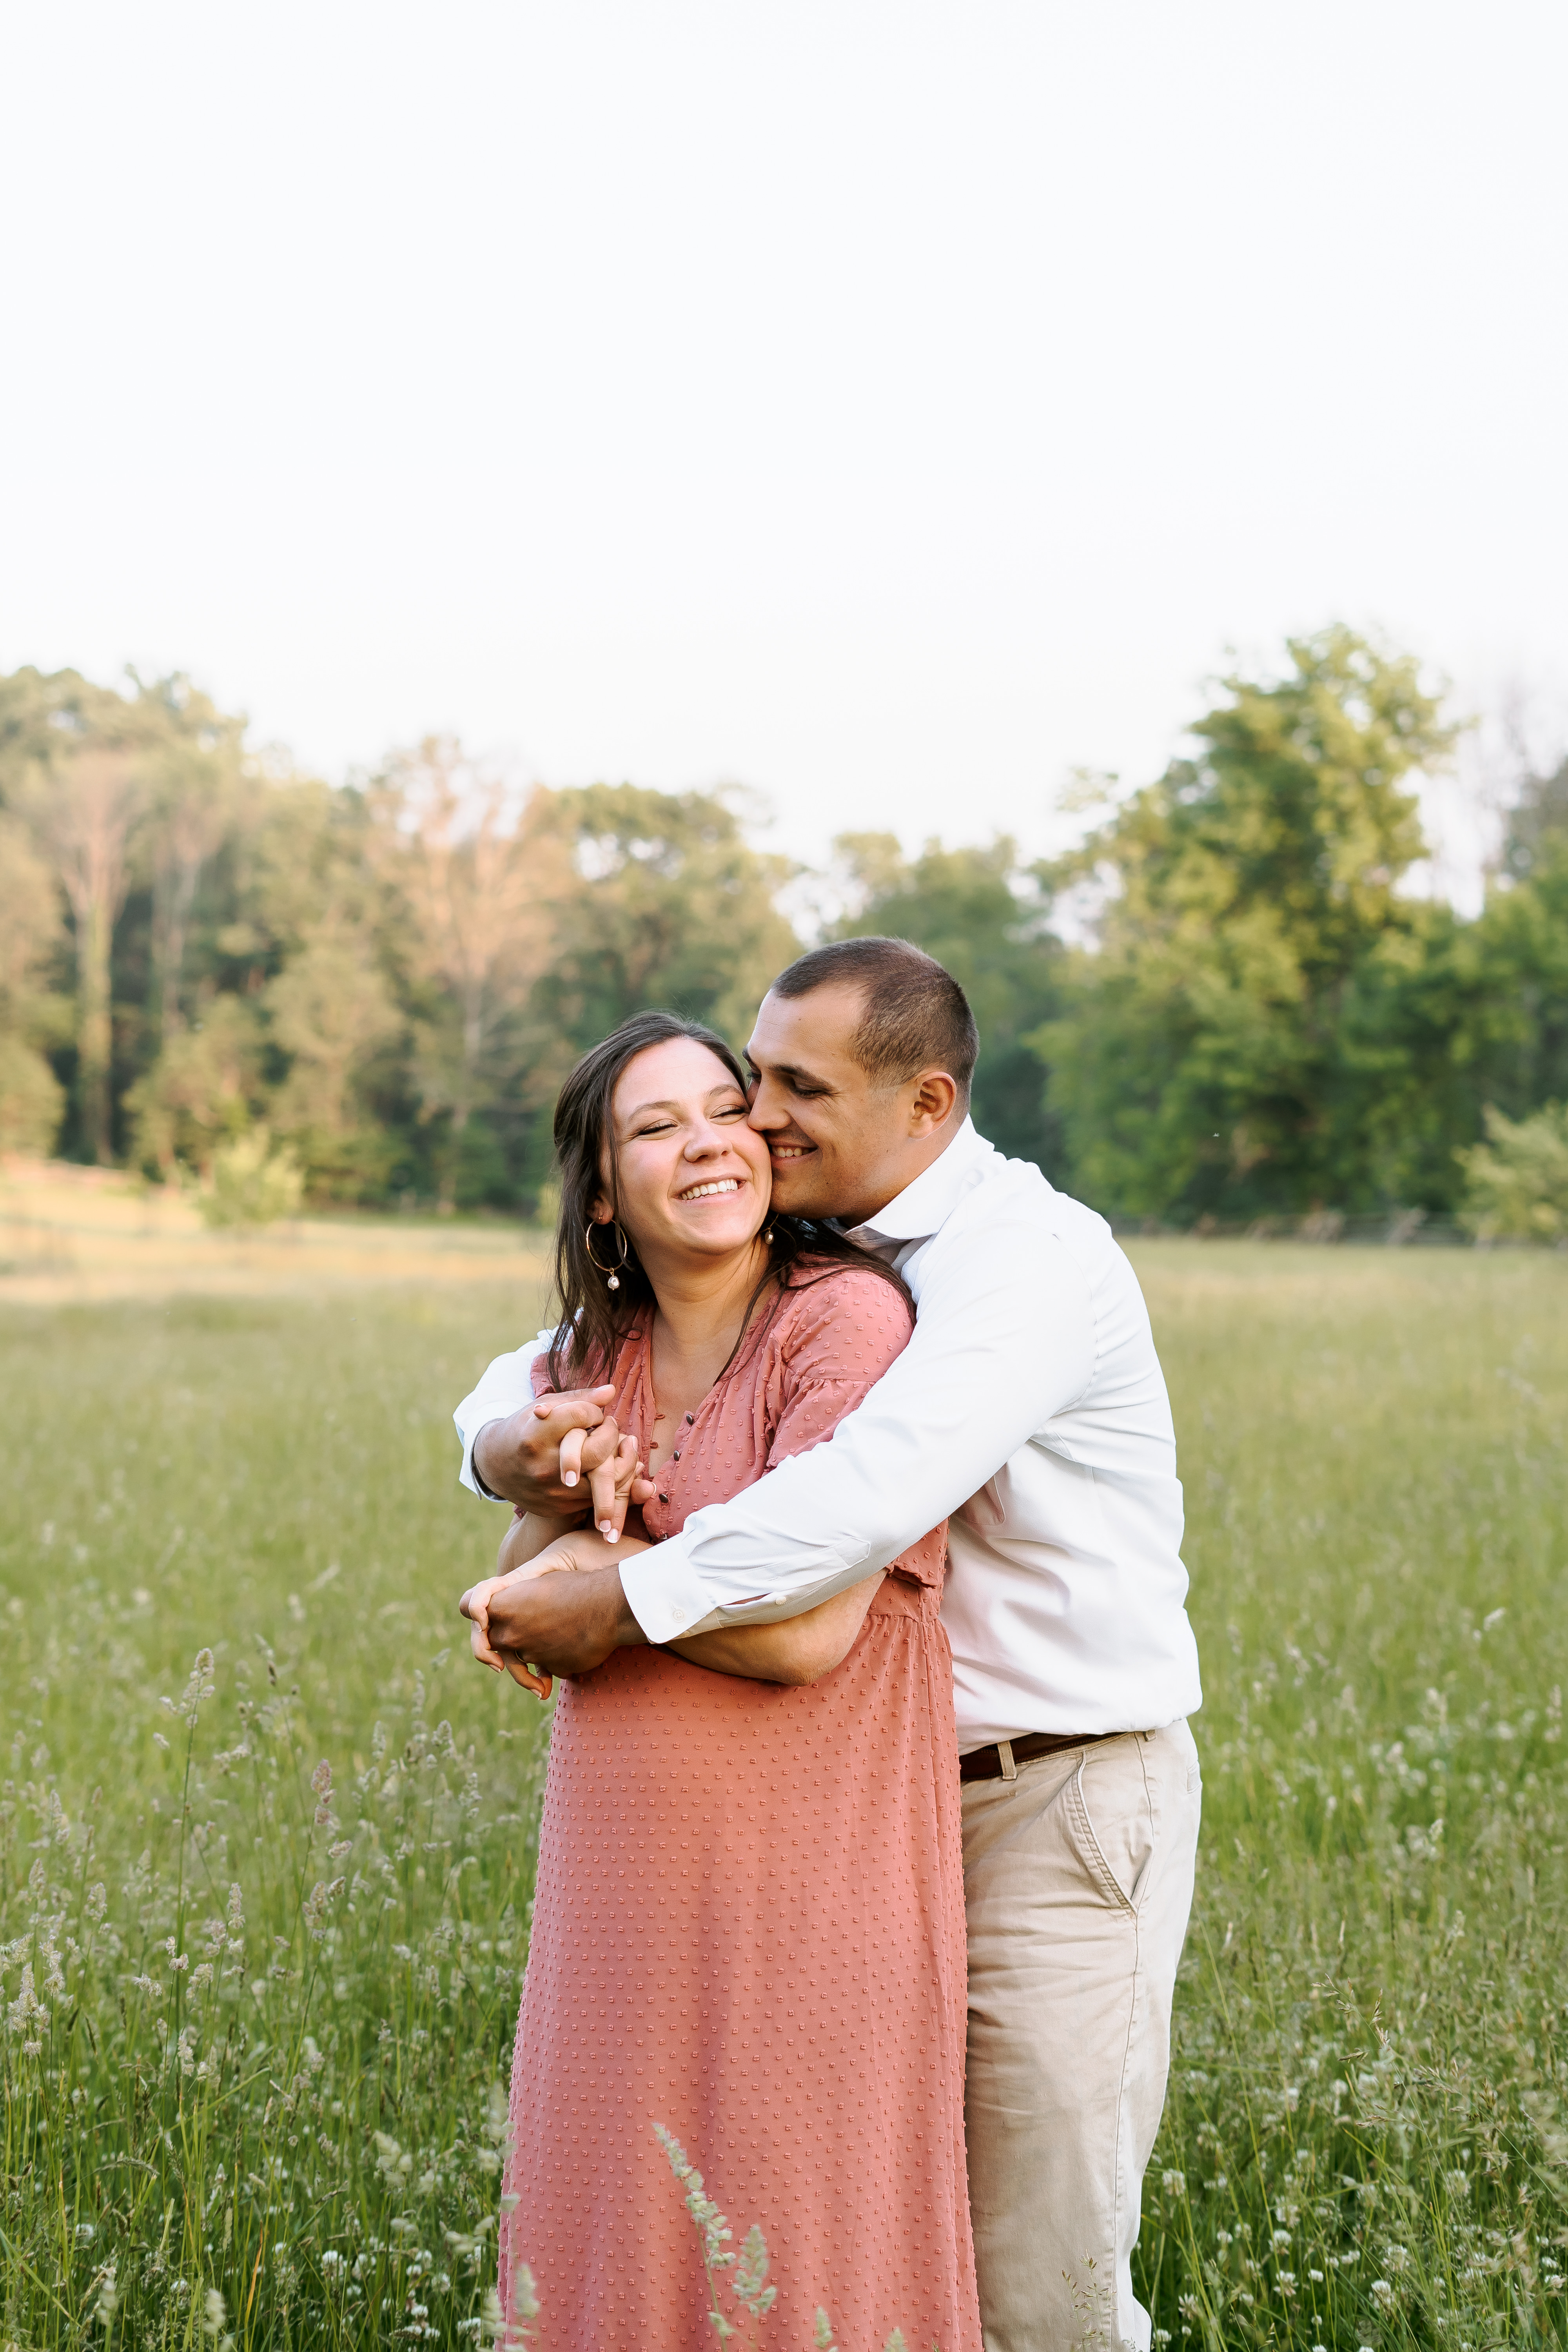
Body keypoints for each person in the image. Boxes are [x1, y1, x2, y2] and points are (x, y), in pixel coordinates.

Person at [456, 938, 1203, 2352]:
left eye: (792, 1089)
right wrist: (500, 1452)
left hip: (1053, 1792)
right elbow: (539, 1370)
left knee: (1039, 2276)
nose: (758, 1116)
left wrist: (610, 1589)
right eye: (752, 1079)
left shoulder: (1014, 1265)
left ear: (926, 1104)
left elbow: (849, 1513)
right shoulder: (823, 1249)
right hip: (892, 1801)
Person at [463, 1007, 982, 2352]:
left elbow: (811, 1634)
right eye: (655, 1126)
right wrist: (570, 1548)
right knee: (611, 2244)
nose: (709, 1142)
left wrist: (608, 1571)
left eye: (720, 1108)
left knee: (792, 2258)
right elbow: (519, 1585)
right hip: (619, 1899)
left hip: (812, 1892)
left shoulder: (845, 1325)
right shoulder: (596, 1362)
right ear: (599, 1202)